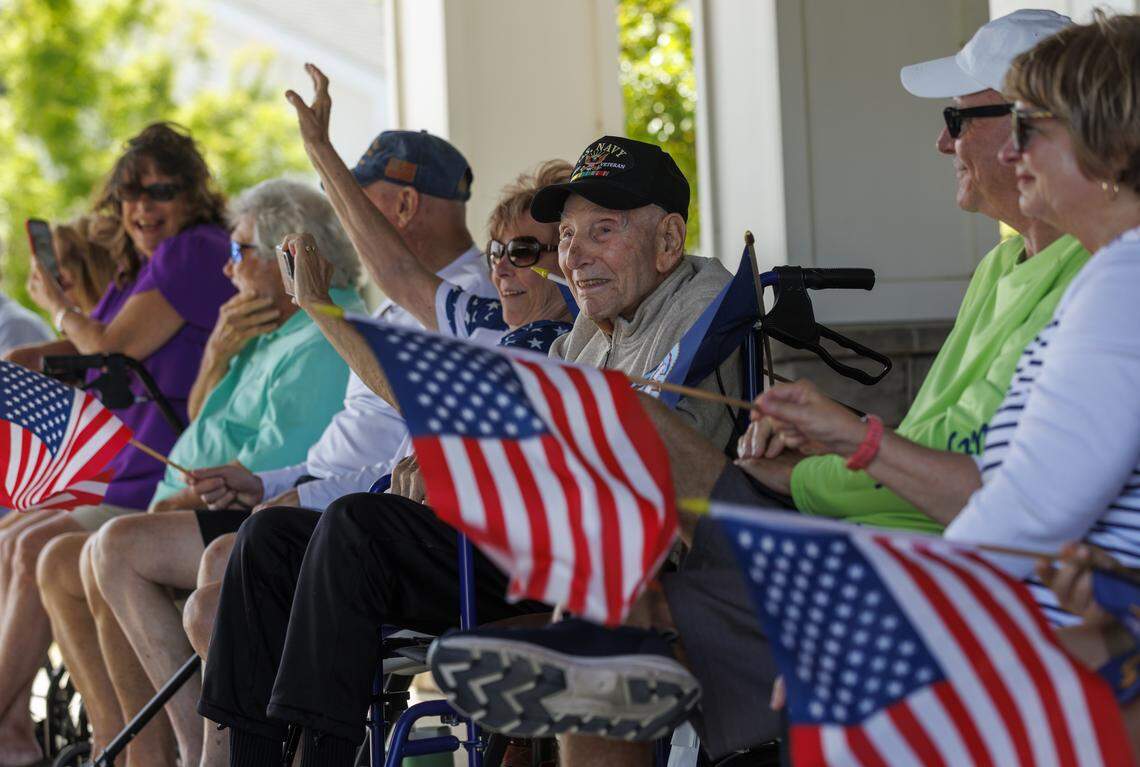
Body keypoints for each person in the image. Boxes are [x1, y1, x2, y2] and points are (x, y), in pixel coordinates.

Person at [430, 9, 1100, 764]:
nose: (942, 140)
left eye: (956, 119)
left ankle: (588, 647)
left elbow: (992, 495)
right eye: (562, 240)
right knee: (608, 608)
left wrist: (845, 450)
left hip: (905, 562)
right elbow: (937, 449)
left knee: (620, 514)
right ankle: (588, 644)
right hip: (844, 521)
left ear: (1034, 133)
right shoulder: (998, 270)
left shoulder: (1102, 283)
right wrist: (822, 450)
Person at [198, 65, 737, 767]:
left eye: (601, 231)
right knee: (267, 538)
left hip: (592, 556)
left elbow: (635, 460)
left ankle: (322, 757)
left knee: (357, 526)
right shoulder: (591, 331)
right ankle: (250, 757)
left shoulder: (699, 304)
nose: (572, 256)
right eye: (568, 235)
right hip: (522, 530)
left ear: (668, 240)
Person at [36, 178, 363, 767]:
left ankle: (186, 751)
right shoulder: (267, 329)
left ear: (287, 258)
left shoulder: (318, 337)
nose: (228, 270)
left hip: (275, 519)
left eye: (239, 253)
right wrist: (217, 350)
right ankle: (139, 747)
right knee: (76, 554)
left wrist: (180, 501)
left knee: (114, 548)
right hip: (215, 503)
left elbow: (268, 468)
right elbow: (202, 420)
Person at [0, 122, 233, 767]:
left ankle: (99, 743)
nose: (140, 208)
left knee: (36, 549)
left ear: (194, 195)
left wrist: (55, 306)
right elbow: (90, 345)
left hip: (165, 477)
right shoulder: (148, 266)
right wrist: (31, 354)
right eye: (128, 194)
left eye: (159, 191)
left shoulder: (195, 250)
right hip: (131, 474)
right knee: (20, 537)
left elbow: (109, 349)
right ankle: (43, 734)